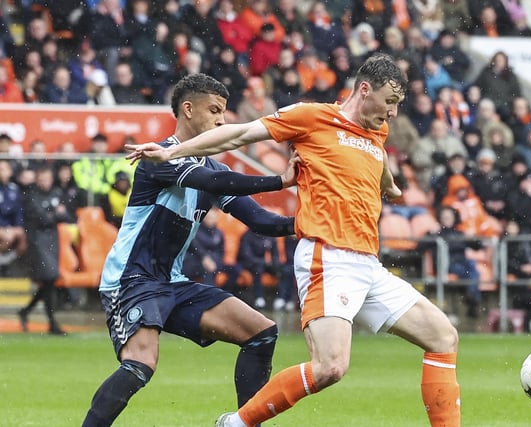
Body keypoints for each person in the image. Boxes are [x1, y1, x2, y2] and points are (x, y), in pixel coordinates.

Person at [127, 54, 461, 427]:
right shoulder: (311, 116)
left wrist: (391, 187)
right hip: (328, 257)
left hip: (369, 263)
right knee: (330, 367)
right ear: (364, 90)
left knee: (443, 335)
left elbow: (378, 161)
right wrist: (172, 152)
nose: (393, 114)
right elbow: (239, 133)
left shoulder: (375, 131)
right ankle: (236, 423)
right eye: (389, 103)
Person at [81, 73, 299, 426]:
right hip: (132, 280)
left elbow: (260, 221)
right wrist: (279, 181)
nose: (221, 121)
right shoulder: (159, 158)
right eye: (214, 110)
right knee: (140, 365)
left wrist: (306, 223)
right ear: (187, 109)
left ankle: (245, 424)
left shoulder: (213, 166)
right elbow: (213, 182)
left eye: (224, 113)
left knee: (261, 334)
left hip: (173, 283)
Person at [18, 165, 75, 334]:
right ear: (37, 179)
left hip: (52, 242)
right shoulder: (31, 195)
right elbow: (42, 218)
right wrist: (55, 214)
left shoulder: (56, 193)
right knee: (49, 278)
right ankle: (52, 323)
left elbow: (68, 216)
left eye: (48, 179)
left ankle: (26, 311)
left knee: (49, 280)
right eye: (42, 179)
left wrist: (53, 214)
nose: (45, 182)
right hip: (37, 242)